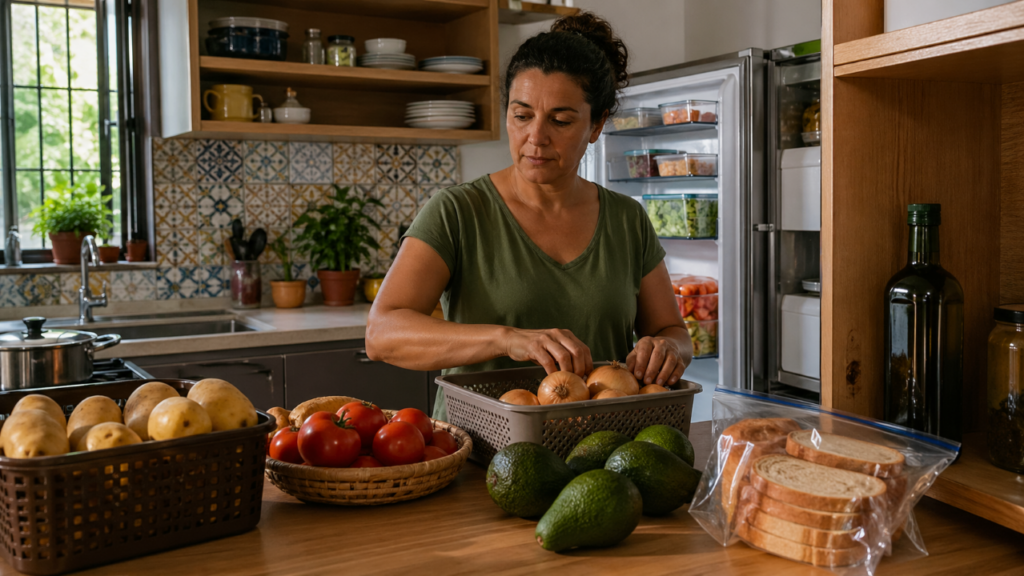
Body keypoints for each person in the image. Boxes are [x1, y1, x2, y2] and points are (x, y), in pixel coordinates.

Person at [365, 12, 692, 421]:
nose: (536, 138)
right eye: (522, 116)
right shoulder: (458, 212)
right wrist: (508, 339)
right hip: (480, 446)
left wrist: (668, 349)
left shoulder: (627, 219)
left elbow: (673, 333)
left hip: (603, 447)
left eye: (560, 120)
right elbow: (382, 333)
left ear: (596, 125)